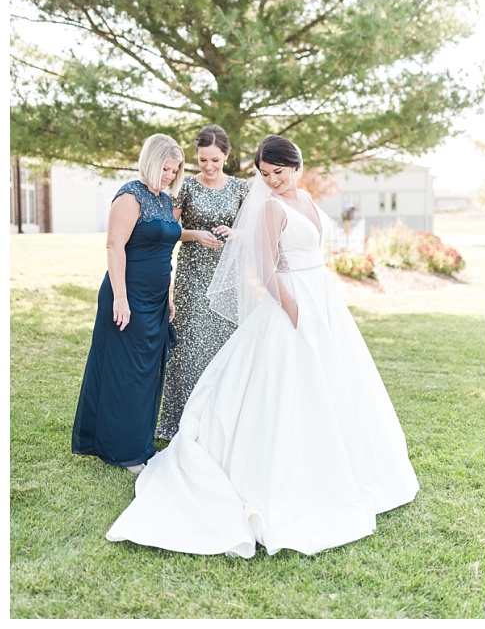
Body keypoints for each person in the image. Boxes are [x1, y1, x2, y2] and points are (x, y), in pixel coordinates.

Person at [106, 135, 418, 556]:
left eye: (279, 173)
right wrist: (289, 306)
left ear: (297, 167)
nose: (272, 181)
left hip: (321, 298)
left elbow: (315, 253)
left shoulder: (306, 199)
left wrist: (319, 297)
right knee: (284, 384)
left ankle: (348, 468)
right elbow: (263, 265)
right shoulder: (271, 208)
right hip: (290, 303)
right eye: (266, 174)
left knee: (337, 384)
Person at [72, 133, 185, 473]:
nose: (169, 176)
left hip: (155, 299)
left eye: (175, 170)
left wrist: (168, 299)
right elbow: (114, 247)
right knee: (127, 371)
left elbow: (167, 253)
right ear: (151, 162)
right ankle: (122, 450)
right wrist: (120, 298)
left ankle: (138, 441)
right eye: (165, 168)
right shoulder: (130, 195)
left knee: (148, 372)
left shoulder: (165, 201)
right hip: (128, 295)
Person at [156, 125, 249, 440]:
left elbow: (256, 230)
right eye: (202, 161)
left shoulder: (240, 188)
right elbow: (169, 230)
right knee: (190, 349)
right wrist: (194, 234)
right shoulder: (186, 187)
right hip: (192, 279)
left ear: (226, 155)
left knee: (225, 348)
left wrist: (235, 234)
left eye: (215, 160)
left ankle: (218, 424)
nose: (208, 167)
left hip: (228, 283)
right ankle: (180, 423)